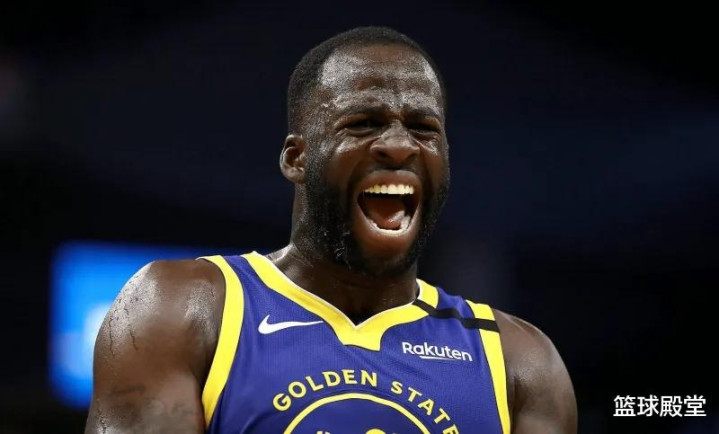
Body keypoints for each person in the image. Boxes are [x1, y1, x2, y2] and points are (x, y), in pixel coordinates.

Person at [85, 26, 577, 434]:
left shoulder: (520, 363)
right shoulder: (179, 309)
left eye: (424, 129)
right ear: (296, 158)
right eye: (364, 123)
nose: (400, 145)